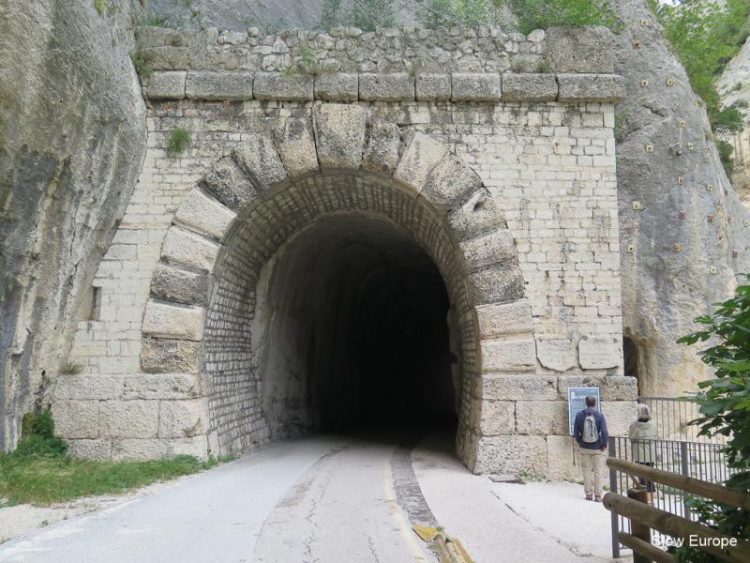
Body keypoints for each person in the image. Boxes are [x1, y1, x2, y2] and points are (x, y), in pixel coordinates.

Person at [574, 396, 609, 501]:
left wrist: (580, 442)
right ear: (595, 404)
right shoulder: (599, 415)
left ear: (586, 403)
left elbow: (576, 432)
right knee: (598, 471)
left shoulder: (579, 415)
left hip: (584, 448)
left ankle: (588, 494)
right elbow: (604, 432)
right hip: (597, 447)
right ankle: (598, 496)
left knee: (586, 471)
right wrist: (603, 444)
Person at [629, 403, 657, 492]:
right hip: (651, 453)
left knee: (641, 476)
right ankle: (651, 495)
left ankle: (646, 495)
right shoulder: (653, 424)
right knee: (650, 475)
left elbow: (631, 437)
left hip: (639, 453)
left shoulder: (634, 425)